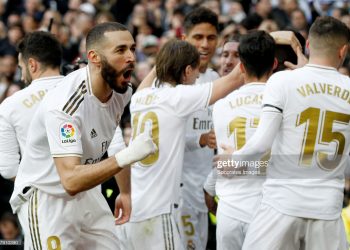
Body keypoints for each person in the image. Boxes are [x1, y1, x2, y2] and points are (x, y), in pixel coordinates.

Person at [10, 22, 156, 250]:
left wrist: (125, 192)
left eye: (132, 48)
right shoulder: (64, 106)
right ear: (94, 57)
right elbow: (70, 180)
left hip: (89, 193)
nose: (131, 57)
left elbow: (114, 142)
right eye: (120, 50)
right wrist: (128, 156)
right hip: (48, 197)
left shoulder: (122, 92)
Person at [218, 16, 350, 250]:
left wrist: (233, 161)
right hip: (326, 209)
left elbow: (260, 144)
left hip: (281, 206)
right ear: (344, 50)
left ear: (308, 44)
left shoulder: (282, 81)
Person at [115, 39, 243, 250]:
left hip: (135, 208)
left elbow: (153, 77)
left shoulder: (141, 98)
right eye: (195, 72)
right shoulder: (178, 97)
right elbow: (235, 79)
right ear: (186, 71)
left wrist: (168, 56)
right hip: (158, 213)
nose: (198, 77)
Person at [212, 31, 276, 250]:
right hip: (267, 209)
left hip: (229, 208)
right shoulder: (283, 100)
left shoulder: (220, 106)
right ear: (275, 63)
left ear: (241, 66)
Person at [179, 8, 220, 249]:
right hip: (179, 189)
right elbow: (162, 139)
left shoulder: (216, 79)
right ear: (185, 39)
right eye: (198, 37)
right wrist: (200, 139)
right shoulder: (172, 83)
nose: (205, 45)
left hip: (205, 188)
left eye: (211, 37)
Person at [0, 31, 63, 181]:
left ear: (32, 65)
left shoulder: (10, 105)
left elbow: (8, 170)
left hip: (40, 198)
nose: (21, 77)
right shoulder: (86, 92)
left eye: (21, 68)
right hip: (90, 194)